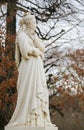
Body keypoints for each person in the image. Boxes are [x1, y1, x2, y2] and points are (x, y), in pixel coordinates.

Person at [7, 13, 55, 126]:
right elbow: (24, 50)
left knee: (38, 90)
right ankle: (26, 118)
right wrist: (35, 51)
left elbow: (43, 48)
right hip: (28, 67)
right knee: (28, 91)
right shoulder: (22, 35)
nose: (35, 24)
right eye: (34, 22)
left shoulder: (33, 36)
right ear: (28, 23)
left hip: (37, 67)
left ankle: (38, 120)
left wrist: (36, 41)